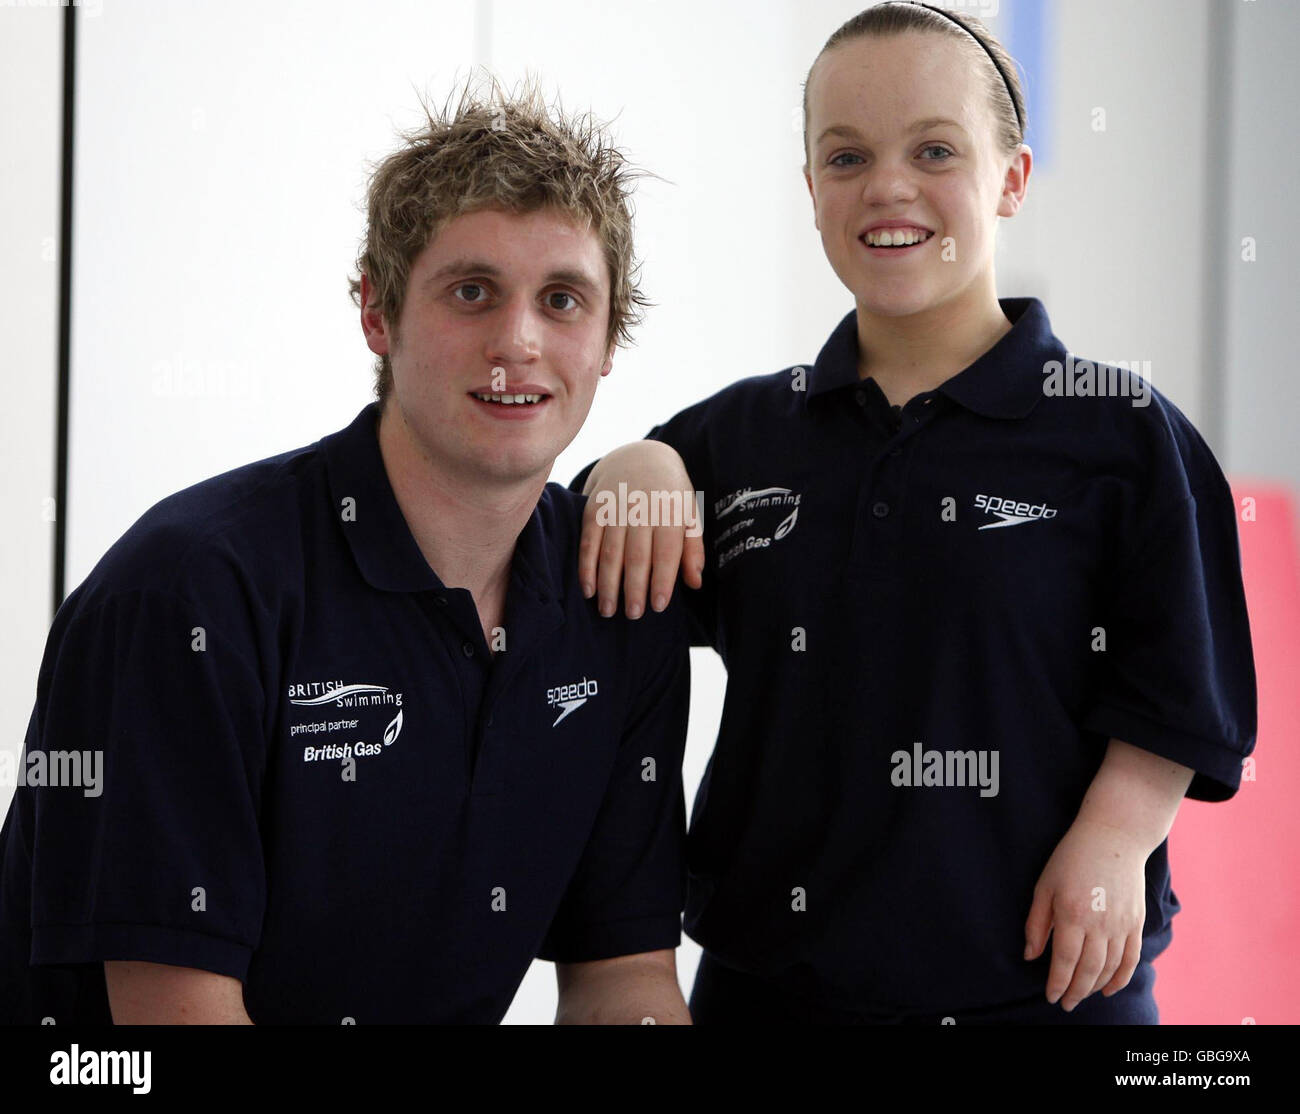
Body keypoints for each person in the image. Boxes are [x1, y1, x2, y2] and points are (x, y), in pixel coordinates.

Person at [574, 2, 1256, 1024]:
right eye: (845, 158)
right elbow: (597, 543)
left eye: (934, 149)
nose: (887, 185)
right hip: (770, 988)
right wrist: (639, 459)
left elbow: (1180, 685)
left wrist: (1115, 837)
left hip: (1045, 980)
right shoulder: (745, 433)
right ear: (811, 193)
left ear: (1012, 178)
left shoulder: (1120, 433)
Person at [0, 79, 693, 1025]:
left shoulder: (614, 597)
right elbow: (176, 1022)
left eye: (563, 299)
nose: (518, 342)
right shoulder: (191, 593)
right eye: (472, 291)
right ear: (378, 313)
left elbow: (625, 983)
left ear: (609, 340)